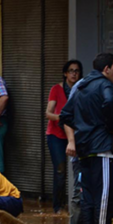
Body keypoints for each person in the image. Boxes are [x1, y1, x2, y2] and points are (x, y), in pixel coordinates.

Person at [60, 52, 113, 224]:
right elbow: (111, 102)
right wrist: (110, 126)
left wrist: (80, 132)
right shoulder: (105, 85)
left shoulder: (81, 86)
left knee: (87, 196)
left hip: (84, 149)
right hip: (102, 148)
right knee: (104, 197)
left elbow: (65, 115)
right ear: (106, 69)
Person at [45, 60, 83, 214]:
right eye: (71, 70)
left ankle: (75, 204)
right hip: (56, 135)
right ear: (65, 73)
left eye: (77, 71)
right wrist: (61, 118)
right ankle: (58, 206)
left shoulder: (82, 89)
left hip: (76, 133)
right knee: (60, 170)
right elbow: (48, 113)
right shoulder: (56, 89)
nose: (74, 73)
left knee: (78, 169)